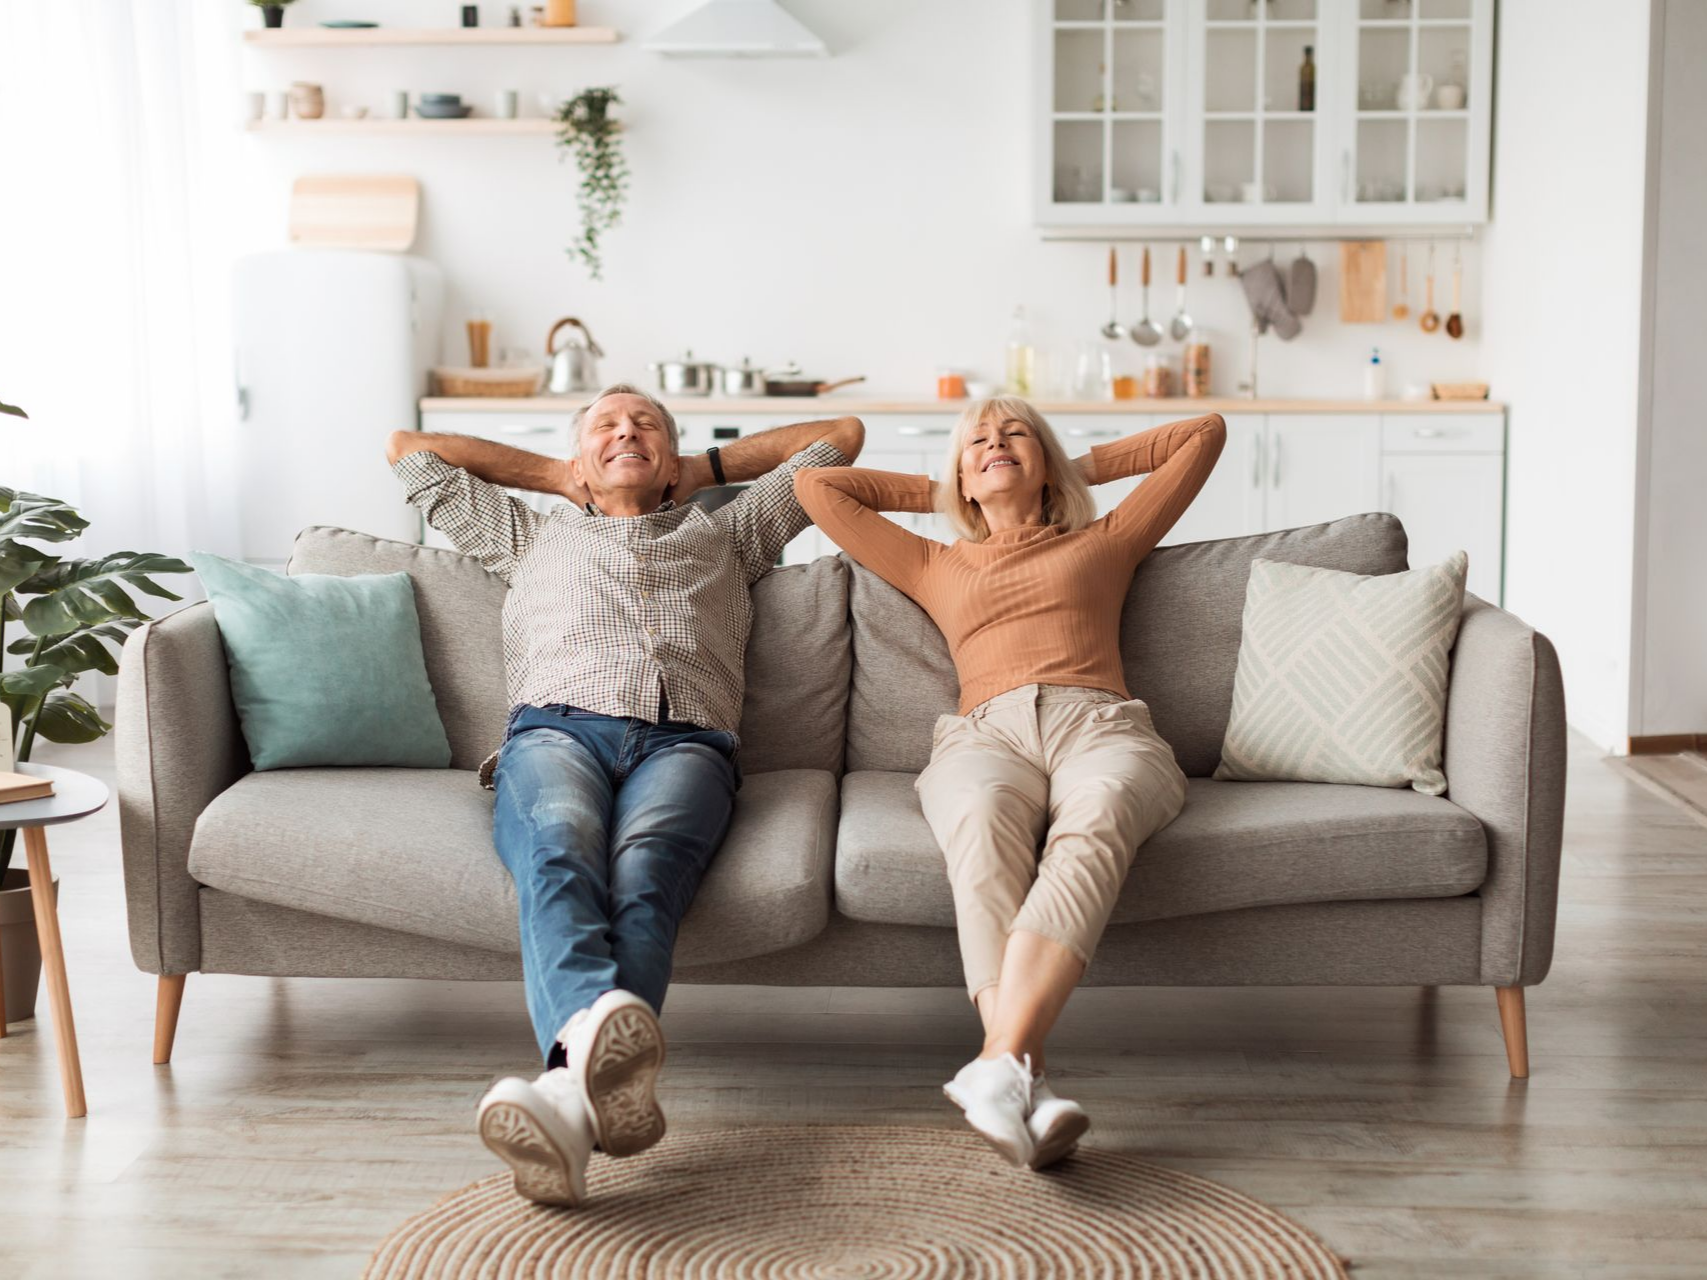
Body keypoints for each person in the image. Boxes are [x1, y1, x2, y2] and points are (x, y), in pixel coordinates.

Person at [387, 386, 863, 1206]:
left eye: (646, 424)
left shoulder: (730, 530)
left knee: (648, 874)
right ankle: (583, 1087)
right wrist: (560, 472)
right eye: (604, 425)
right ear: (577, 456)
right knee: (560, 844)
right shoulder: (527, 533)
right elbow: (406, 449)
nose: (626, 431)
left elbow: (840, 434)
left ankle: (567, 1102)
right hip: (556, 735)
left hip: (686, 744)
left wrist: (699, 469)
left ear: (673, 456)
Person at [795, 398, 1223, 1170]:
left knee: (1101, 811)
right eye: (978, 441)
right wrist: (946, 486)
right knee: (982, 822)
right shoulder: (935, 562)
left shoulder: (1108, 538)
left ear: (1044, 458)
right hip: (984, 735)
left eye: (1014, 433)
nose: (994, 443)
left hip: (1099, 726)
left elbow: (1202, 433)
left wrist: (1071, 467)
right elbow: (817, 491)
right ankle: (1019, 1074)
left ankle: (1000, 1065)